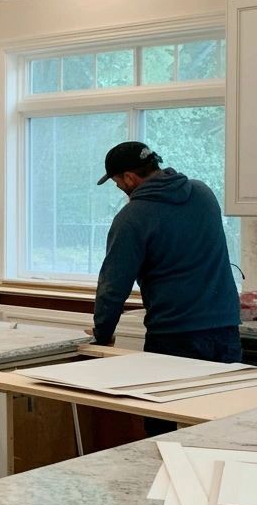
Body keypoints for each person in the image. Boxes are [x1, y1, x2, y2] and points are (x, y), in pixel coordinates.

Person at [93, 141, 241, 436]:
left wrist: (102, 335)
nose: (119, 188)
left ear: (130, 178)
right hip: (224, 329)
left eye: (117, 182)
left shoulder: (133, 217)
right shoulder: (203, 193)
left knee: (163, 426)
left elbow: (113, 286)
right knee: (225, 422)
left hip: (175, 336)